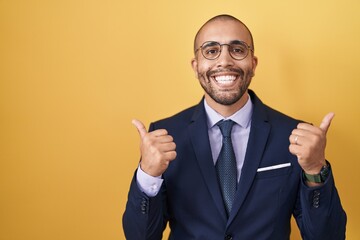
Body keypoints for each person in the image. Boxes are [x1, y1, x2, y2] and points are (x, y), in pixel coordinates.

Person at [123, 14, 346, 240]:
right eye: (211, 51)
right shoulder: (164, 136)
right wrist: (147, 174)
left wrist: (316, 170)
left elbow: (328, 236)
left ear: (253, 63)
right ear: (195, 65)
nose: (225, 61)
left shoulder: (294, 136)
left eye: (237, 50)